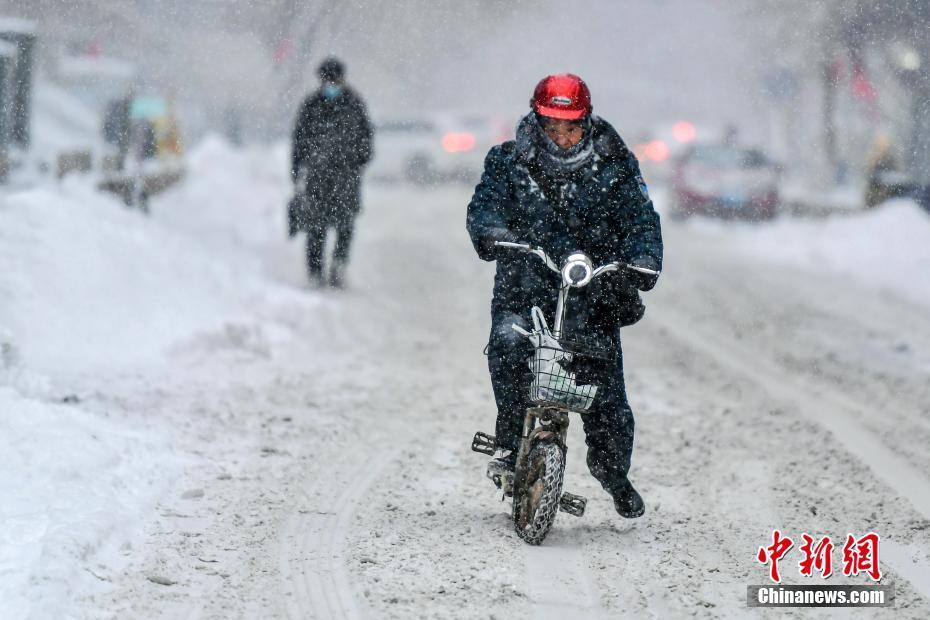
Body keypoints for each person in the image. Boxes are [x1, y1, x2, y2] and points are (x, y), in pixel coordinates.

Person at [466, 74, 663, 518]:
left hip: (591, 297)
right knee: (509, 347)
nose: (561, 136)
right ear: (536, 120)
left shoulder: (616, 164)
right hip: (524, 287)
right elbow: (485, 207)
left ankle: (613, 474)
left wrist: (644, 257)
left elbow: (640, 218)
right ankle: (509, 439)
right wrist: (493, 233)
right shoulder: (507, 161)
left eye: (570, 127)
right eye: (551, 125)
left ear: (587, 123)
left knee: (606, 393)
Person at [291, 57, 373, 288]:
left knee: (345, 224)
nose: (331, 84)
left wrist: (359, 161)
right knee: (316, 226)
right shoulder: (311, 105)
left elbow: (366, 137)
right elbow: (299, 140)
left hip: (346, 175)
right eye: (327, 79)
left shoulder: (354, 103)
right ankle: (315, 272)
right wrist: (297, 169)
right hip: (318, 176)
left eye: (334, 79)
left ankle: (339, 265)